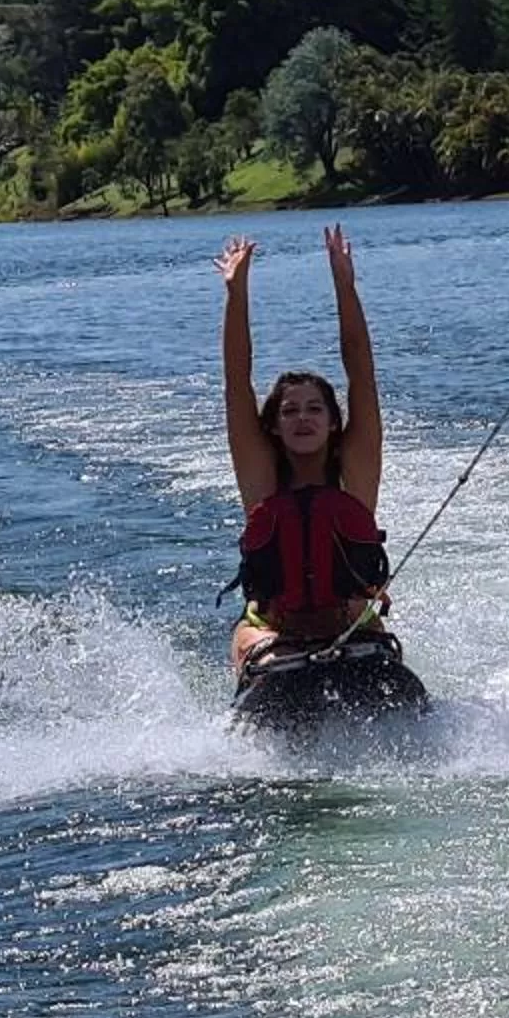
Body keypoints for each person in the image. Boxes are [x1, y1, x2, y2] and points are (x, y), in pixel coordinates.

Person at [216, 224, 398, 680]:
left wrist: (344, 284)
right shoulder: (262, 478)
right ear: (273, 428)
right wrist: (237, 293)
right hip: (272, 631)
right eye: (290, 411)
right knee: (253, 647)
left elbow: (361, 373)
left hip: (352, 628)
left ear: (334, 422)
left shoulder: (355, 471)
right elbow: (236, 382)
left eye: (315, 409)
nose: (303, 418)